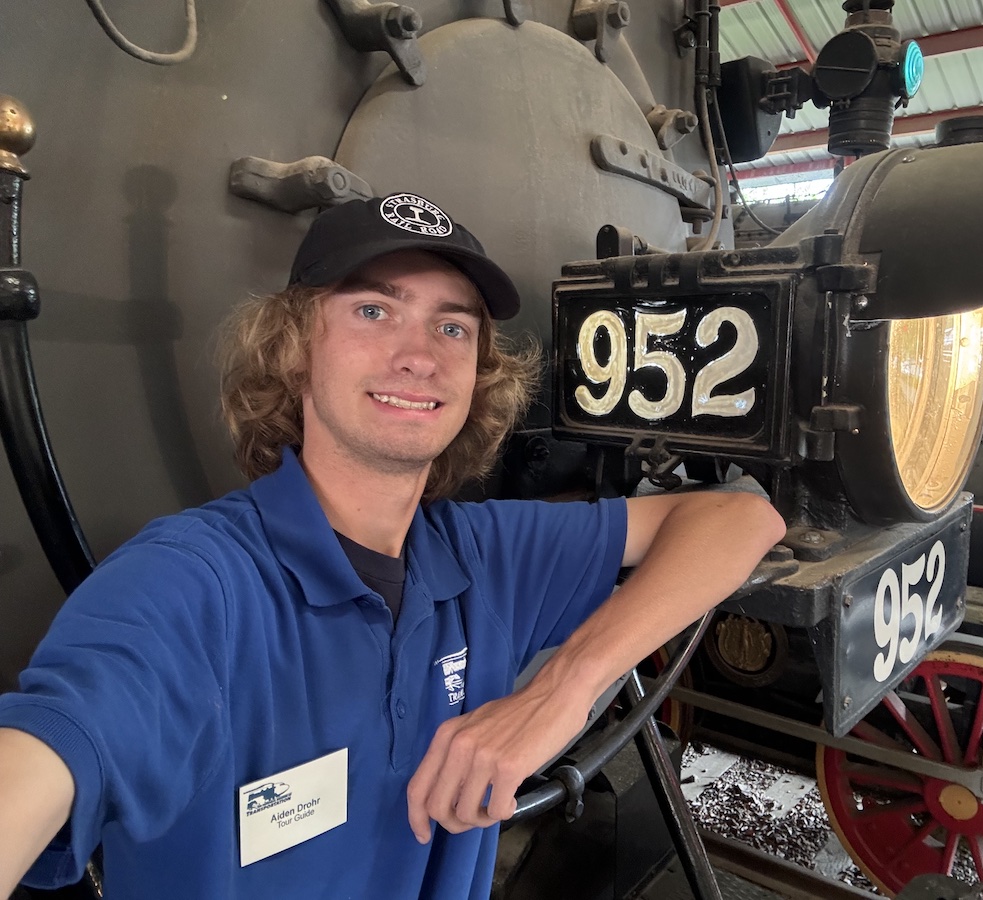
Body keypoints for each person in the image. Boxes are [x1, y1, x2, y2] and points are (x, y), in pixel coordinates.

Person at [0, 192, 785, 899]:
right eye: (374, 312)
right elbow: (45, 753)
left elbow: (742, 520)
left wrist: (563, 689)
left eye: (453, 326)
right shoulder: (190, 582)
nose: (421, 354)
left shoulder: (482, 554)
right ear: (294, 348)